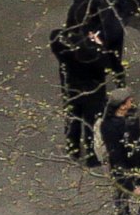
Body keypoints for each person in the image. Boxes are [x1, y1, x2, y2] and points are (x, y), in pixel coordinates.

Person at [51, 17, 120, 169]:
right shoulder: (92, 56)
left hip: (71, 90)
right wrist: (98, 45)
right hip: (92, 93)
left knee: (72, 119)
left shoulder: (64, 51)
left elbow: (55, 35)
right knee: (91, 124)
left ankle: (73, 149)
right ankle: (92, 157)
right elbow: (107, 65)